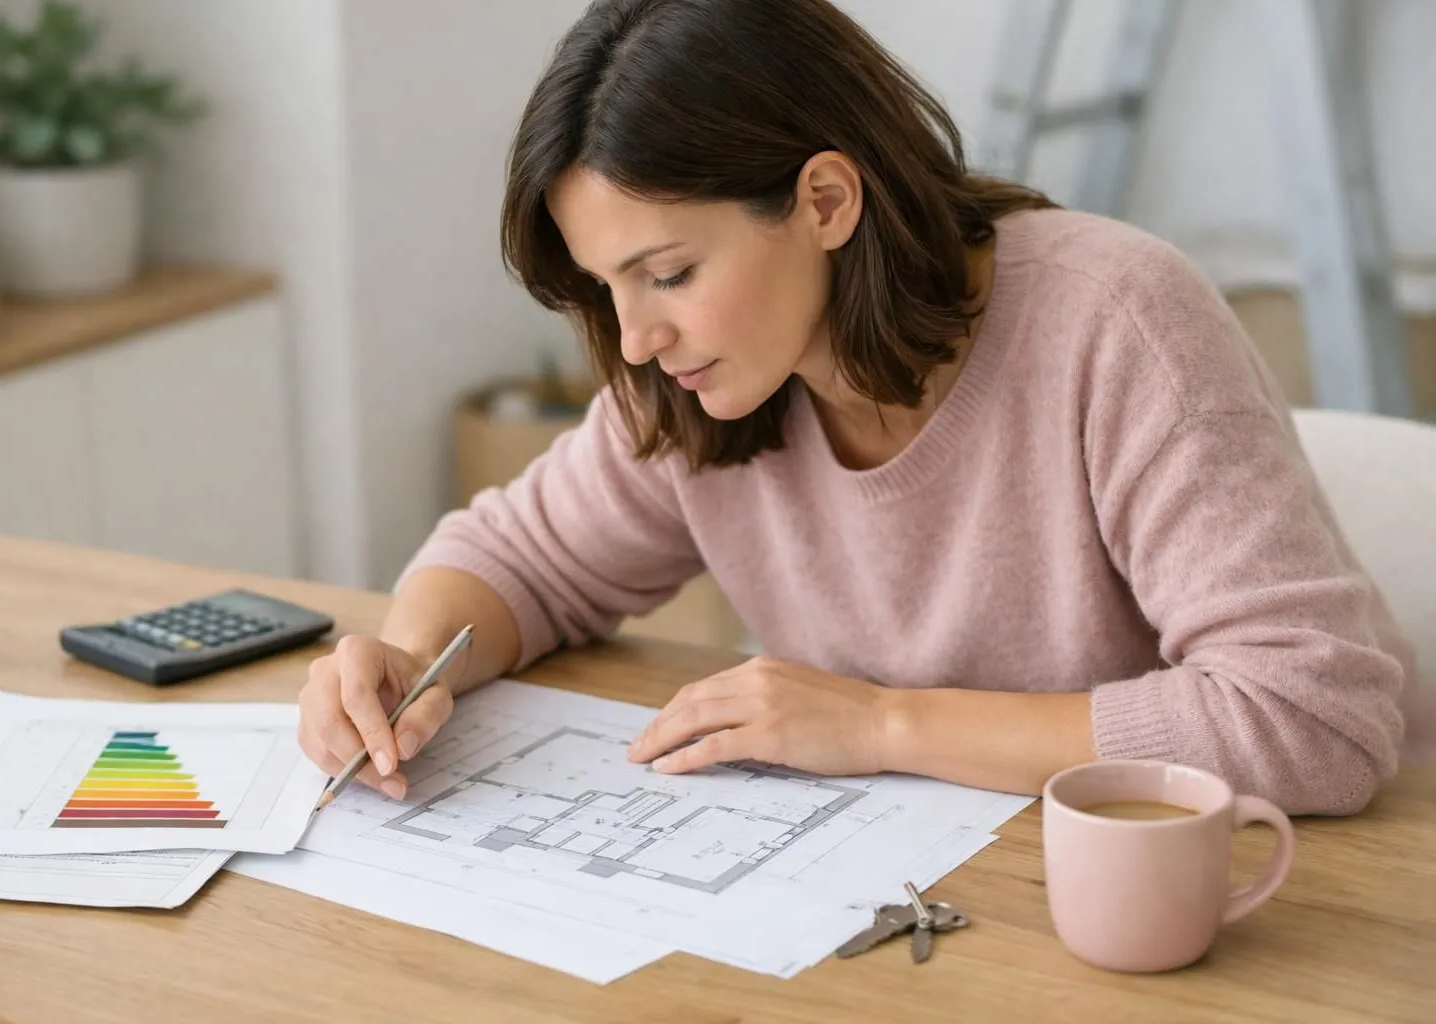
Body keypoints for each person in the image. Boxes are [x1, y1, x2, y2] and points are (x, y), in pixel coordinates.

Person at [297, 0, 1410, 816]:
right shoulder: (703, 383)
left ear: (825, 200)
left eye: (670, 273)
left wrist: (880, 723)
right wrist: (401, 658)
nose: (633, 339)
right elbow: (516, 560)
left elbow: (1314, 717)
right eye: (606, 288)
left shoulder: (1118, 321)